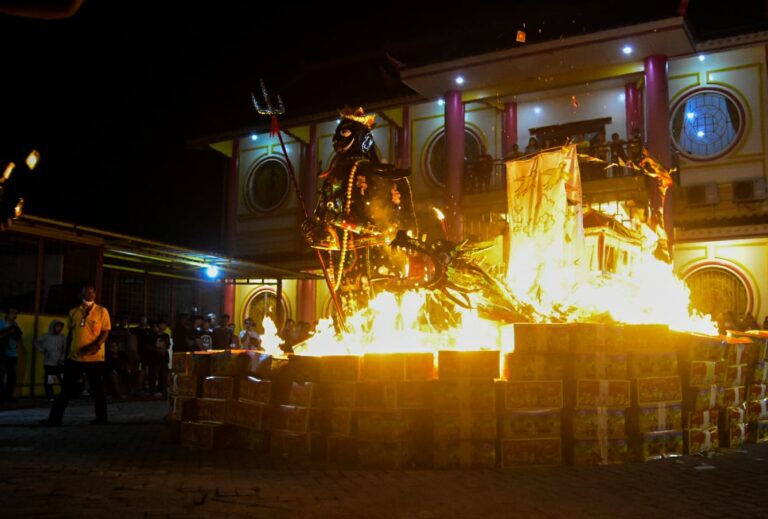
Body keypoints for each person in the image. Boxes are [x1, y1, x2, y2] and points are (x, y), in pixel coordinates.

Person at [41, 284, 111, 426]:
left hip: (94, 358)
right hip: (75, 357)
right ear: (81, 294)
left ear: (95, 294)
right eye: (87, 292)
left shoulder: (102, 311)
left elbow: (105, 331)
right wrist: (67, 354)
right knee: (66, 390)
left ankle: (101, 418)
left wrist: (96, 345)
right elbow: (72, 333)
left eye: (92, 292)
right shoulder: (74, 312)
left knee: (97, 390)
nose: (90, 294)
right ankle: (54, 419)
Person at [33, 319, 66, 402]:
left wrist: (62, 359)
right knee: (49, 380)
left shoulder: (62, 337)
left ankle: (64, 396)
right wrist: (43, 350)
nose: (59, 328)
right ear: (53, 327)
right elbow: (36, 342)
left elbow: (65, 350)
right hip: (49, 363)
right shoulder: (46, 336)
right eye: (57, 326)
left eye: (60, 327)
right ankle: (50, 396)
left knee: (63, 379)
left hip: (60, 363)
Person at [0, 307, 23, 404]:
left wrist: (16, 333)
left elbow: (18, 336)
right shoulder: (1, 323)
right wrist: (8, 331)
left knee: (12, 377)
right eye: (12, 313)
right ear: (7, 314)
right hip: (2, 354)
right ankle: (1, 397)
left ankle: (8, 396)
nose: (15, 315)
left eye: (16, 313)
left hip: (13, 353)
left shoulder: (15, 324)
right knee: (0, 376)